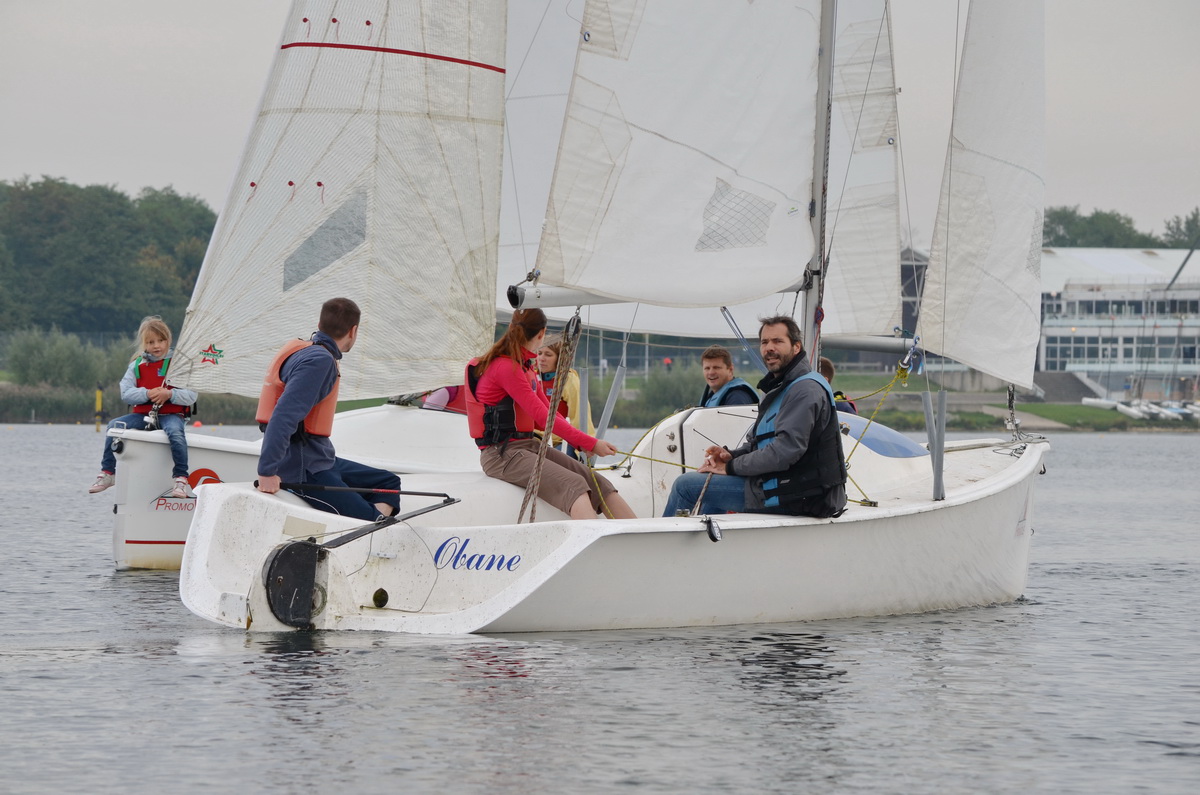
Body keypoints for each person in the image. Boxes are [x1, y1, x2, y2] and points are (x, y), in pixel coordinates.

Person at [662, 315, 847, 519]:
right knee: (710, 480)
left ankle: (663, 539)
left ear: (796, 347)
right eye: (764, 342)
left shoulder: (805, 390)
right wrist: (731, 455)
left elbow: (785, 451)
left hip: (801, 497)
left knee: (684, 485)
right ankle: (713, 539)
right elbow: (759, 444)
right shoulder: (780, 388)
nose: (769, 348)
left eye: (777, 341)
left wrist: (730, 467)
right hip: (784, 488)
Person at [466, 308, 637, 520]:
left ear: (511, 327)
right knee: (575, 486)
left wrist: (583, 443)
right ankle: (597, 539)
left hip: (528, 447)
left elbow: (549, 413)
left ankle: (640, 536)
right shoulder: (506, 368)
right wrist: (592, 443)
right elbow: (544, 418)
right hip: (501, 455)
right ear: (542, 334)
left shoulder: (525, 368)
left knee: (599, 483)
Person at [255, 297, 401, 521]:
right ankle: (371, 522)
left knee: (389, 483)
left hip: (321, 460)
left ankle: (366, 518)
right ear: (353, 331)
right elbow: (283, 417)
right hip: (305, 470)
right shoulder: (319, 361)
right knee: (373, 521)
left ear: (320, 324)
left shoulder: (305, 350)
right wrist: (267, 472)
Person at [89, 316, 197, 497]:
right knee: (114, 426)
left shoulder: (179, 365)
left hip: (171, 415)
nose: (156, 346)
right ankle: (108, 473)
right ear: (144, 344)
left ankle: (180, 478)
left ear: (168, 340)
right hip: (143, 416)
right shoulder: (136, 366)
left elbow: (191, 396)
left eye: (161, 340)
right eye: (151, 342)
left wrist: (169, 394)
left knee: (175, 433)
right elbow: (126, 393)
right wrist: (147, 393)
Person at [536, 333, 595, 459]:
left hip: (561, 442)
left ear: (559, 358)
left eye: (548, 354)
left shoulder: (568, 380)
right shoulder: (529, 376)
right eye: (539, 353)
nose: (541, 358)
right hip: (532, 438)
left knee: (557, 459)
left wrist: (586, 445)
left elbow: (579, 415)